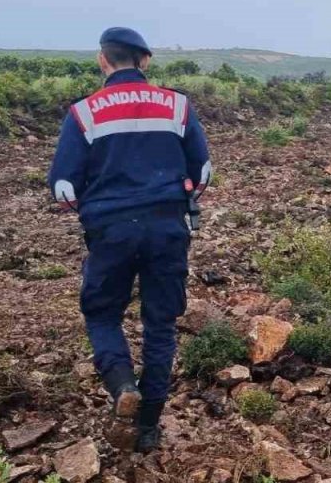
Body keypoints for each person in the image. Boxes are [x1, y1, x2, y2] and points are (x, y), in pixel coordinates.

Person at [47, 27, 211, 452]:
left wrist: (93, 207)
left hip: (110, 232)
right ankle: (150, 426)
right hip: (168, 227)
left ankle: (122, 385)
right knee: (160, 325)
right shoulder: (178, 106)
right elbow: (204, 171)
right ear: (146, 60)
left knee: (101, 313)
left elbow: (62, 185)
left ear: (103, 60)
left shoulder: (83, 113)